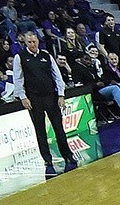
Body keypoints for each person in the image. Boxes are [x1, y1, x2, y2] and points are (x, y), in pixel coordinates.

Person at [11, 30, 75, 176]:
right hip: (34, 99)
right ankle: (47, 161)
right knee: (40, 131)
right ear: (25, 43)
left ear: (38, 41)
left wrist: (61, 94)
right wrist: (22, 97)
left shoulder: (46, 56)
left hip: (51, 96)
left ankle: (68, 155)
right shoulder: (20, 57)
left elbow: (57, 76)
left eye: (34, 41)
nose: (32, 44)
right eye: (29, 42)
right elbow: (18, 78)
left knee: (59, 128)